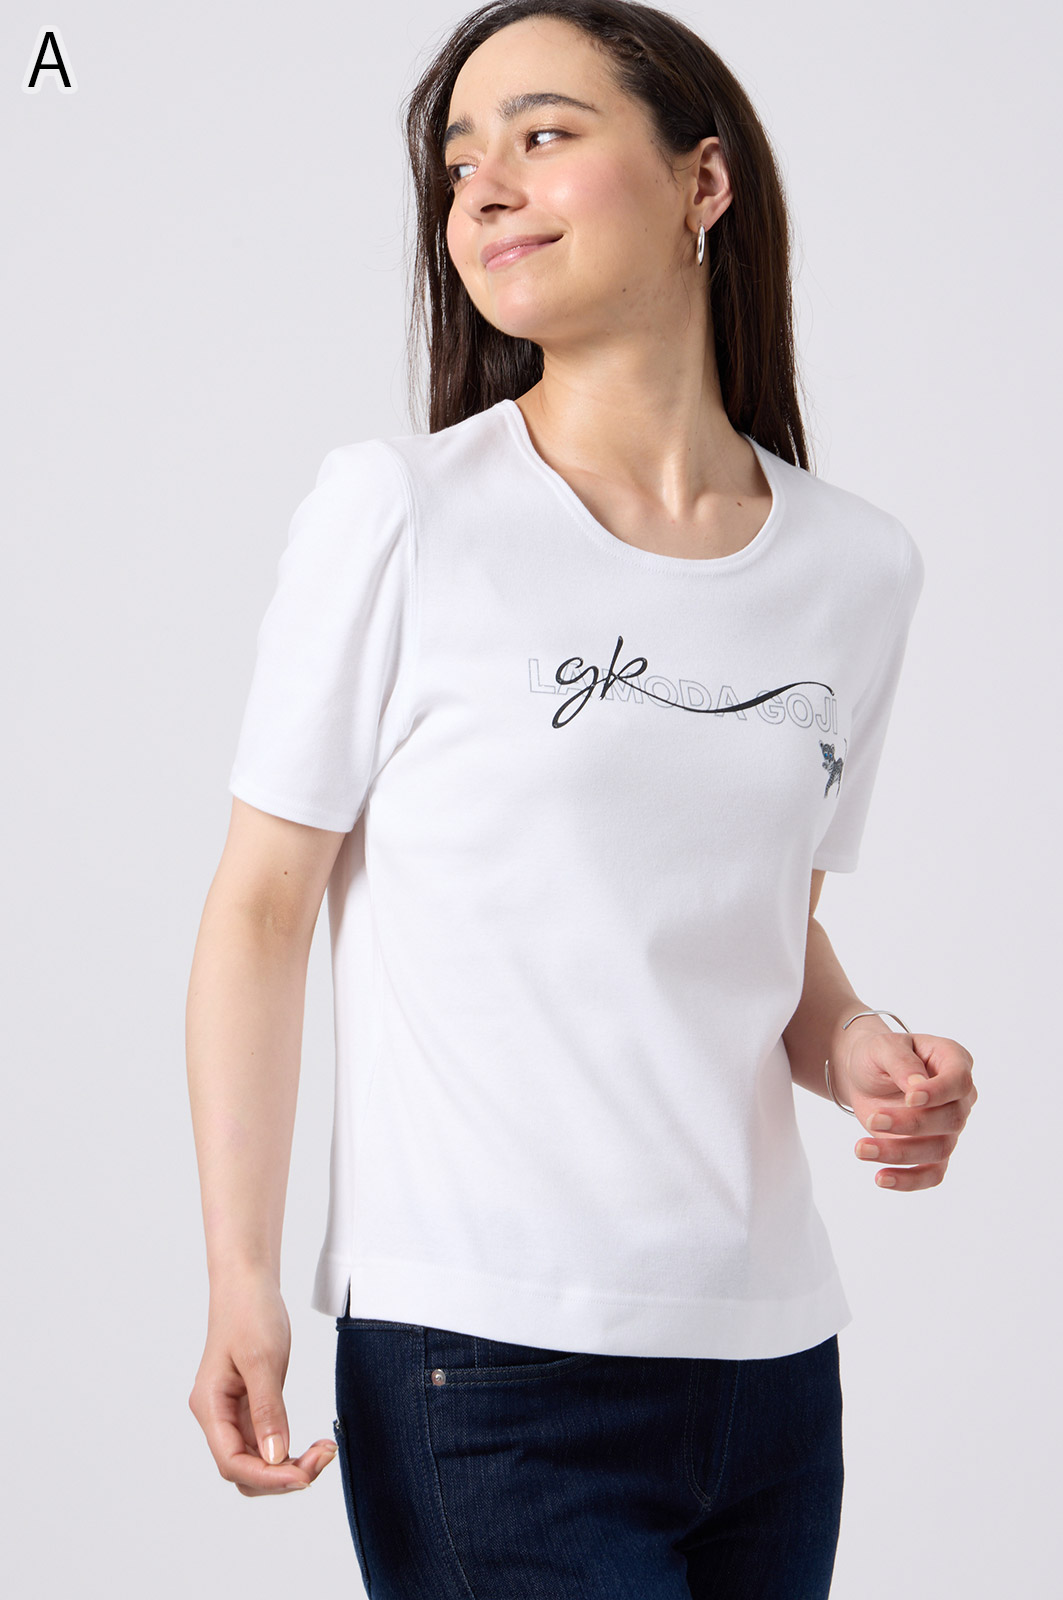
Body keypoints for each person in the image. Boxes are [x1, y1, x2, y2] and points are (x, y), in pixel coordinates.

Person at [185, 2, 978, 1594]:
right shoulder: (402, 514)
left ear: (704, 183)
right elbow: (262, 913)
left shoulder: (858, 567)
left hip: (770, 1364)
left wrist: (861, 1048)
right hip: (484, 1360)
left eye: (542, 134)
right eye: (458, 163)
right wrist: (243, 1281)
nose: (483, 185)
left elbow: (766, 933)